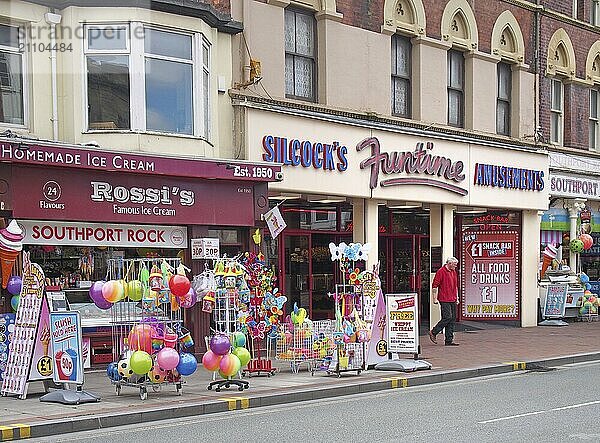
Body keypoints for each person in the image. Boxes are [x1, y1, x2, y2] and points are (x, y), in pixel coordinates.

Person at [429, 257, 459, 346]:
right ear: (449, 263)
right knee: (447, 317)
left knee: (452, 319)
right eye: (454, 264)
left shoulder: (453, 272)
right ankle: (434, 332)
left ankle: (449, 340)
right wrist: (434, 298)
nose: (456, 266)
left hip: (452, 298)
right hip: (444, 298)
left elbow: (455, 286)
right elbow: (435, 285)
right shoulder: (441, 271)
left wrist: (457, 297)